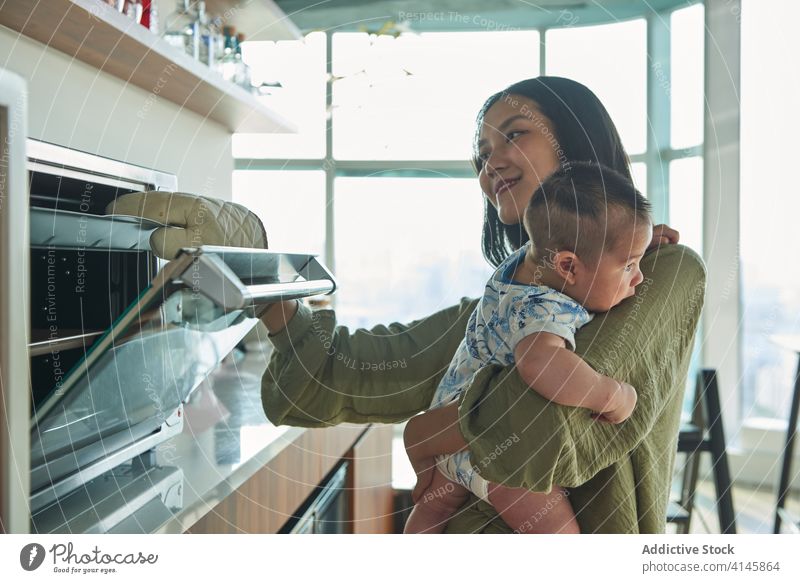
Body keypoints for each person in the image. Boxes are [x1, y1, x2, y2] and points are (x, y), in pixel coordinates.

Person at [115, 77, 704, 533]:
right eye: (480, 153)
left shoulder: (664, 273)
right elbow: (341, 374)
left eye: (515, 134)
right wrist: (256, 273)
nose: (489, 163)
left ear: (578, 142)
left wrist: (430, 427)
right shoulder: (500, 314)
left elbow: (536, 435)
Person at [403, 162, 651, 534]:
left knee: (431, 515)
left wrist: (623, 246)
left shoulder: (522, 263)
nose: (640, 276)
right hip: (492, 450)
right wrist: (611, 394)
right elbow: (539, 364)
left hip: (446, 428)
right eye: (629, 265)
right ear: (569, 266)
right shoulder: (547, 309)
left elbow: (584, 242)